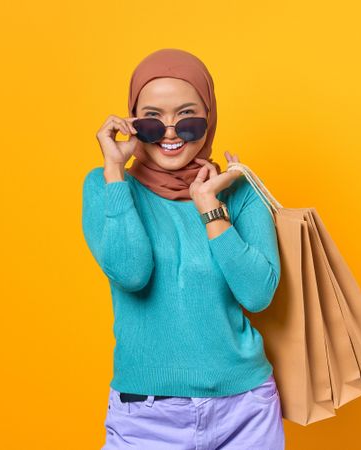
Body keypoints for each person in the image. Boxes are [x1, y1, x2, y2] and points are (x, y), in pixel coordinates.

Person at [82, 48, 285, 449]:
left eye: (187, 119)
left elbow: (258, 294)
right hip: (145, 417)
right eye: (152, 120)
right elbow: (131, 272)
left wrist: (209, 205)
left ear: (208, 119)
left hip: (245, 409)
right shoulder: (106, 186)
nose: (171, 133)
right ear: (132, 121)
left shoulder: (240, 191)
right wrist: (113, 173)